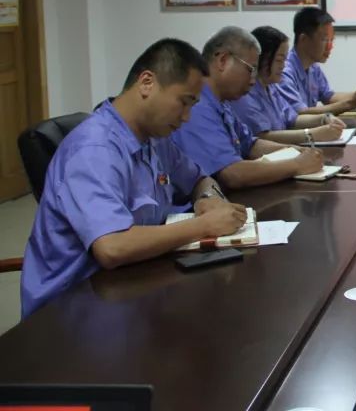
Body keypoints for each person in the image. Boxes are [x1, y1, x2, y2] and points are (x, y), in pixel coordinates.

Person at [20, 39, 248, 317]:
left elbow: (200, 178)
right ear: (147, 83)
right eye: (184, 102)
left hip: (134, 283)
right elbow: (112, 247)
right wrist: (204, 225)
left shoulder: (155, 138)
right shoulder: (95, 149)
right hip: (72, 308)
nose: (187, 117)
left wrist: (208, 197)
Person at [172, 26, 324, 188]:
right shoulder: (197, 105)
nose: (253, 79)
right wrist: (297, 165)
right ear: (223, 60)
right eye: (251, 69)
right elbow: (232, 174)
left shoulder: (222, 102)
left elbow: (250, 144)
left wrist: (294, 151)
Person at [232, 26, 348, 144]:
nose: (283, 66)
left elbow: (292, 119)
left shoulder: (271, 87)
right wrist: (311, 134)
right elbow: (261, 137)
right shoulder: (245, 93)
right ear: (262, 59)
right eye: (279, 60)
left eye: (285, 60)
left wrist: (324, 118)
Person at [279, 7, 356, 115]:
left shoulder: (313, 68)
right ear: (303, 39)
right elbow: (301, 114)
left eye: (332, 40)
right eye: (324, 39)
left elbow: (329, 97)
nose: (330, 47)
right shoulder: (284, 72)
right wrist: (352, 102)